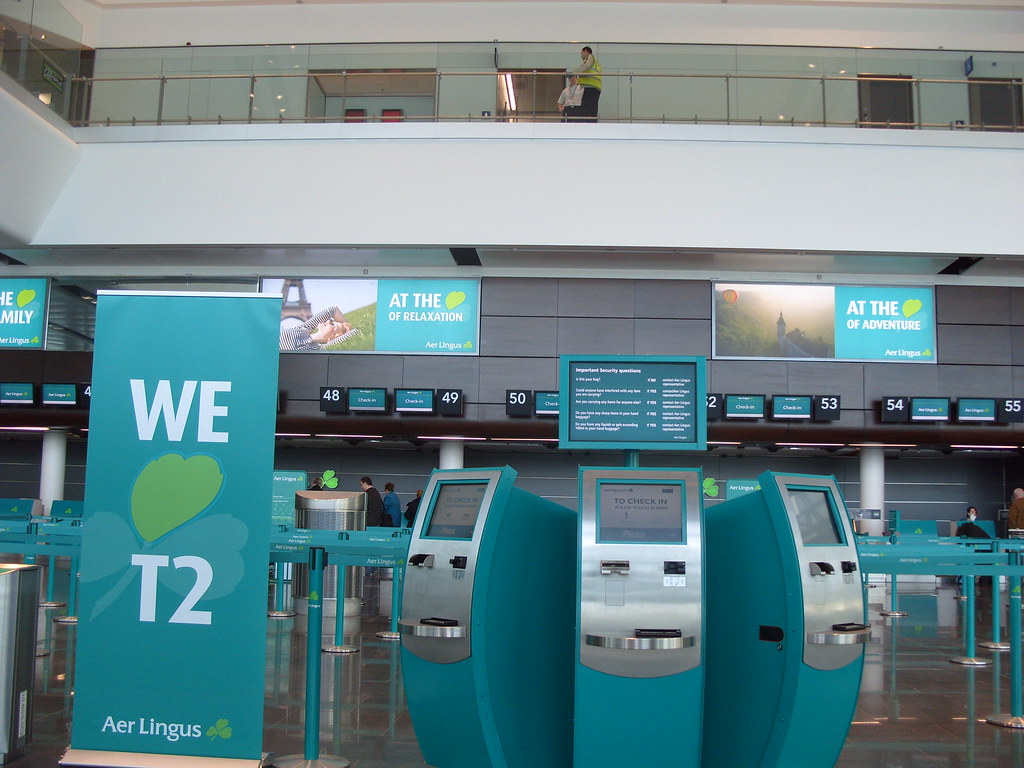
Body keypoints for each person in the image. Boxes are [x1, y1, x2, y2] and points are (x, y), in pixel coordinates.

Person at [280, 306, 360, 351]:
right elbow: (333, 310)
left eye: (332, 325)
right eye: (331, 320)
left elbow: (354, 332)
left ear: (332, 339)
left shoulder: (317, 349)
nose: (328, 321)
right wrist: (346, 325)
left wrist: (347, 329)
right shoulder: (303, 329)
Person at [570, 46, 602, 120]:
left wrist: (573, 72)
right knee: (592, 108)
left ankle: (587, 124)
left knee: (586, 108)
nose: (581, 56)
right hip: (596, 87)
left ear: (586, 51)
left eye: (582, 53)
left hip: (589, 87)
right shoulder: (596, 63)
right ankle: (592, 123)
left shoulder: (590, 58)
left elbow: (585, 66)